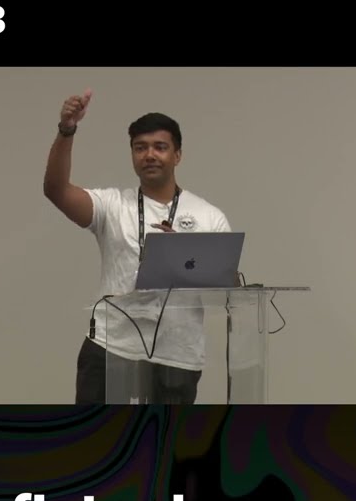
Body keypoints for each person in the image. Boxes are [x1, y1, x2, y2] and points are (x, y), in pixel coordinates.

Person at [44, 89, 232, 404]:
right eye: (140, 147)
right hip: (111, 344)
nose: (149, 155)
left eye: (160, 147)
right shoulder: (112, 205)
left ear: (177, 155)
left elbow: (226, 283)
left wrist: (185, 258)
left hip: (177, 354)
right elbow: (56, 190)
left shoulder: (208, 216)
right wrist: (67, 130)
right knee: (96, 435)